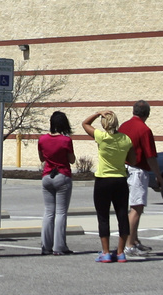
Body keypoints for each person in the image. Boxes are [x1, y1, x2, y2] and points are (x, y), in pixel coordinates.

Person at [82, 110, 136, 263]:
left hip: (103, 180)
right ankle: (120, 252)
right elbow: (133, 160)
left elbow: (85, 124)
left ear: (104, 124)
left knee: (103, 216)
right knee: (122, 215)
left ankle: (106, 252)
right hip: (120, 180)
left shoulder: (102, 137)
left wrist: (98, 113)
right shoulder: (126, 139)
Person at [118, 100, 163, 257]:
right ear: (147, 114)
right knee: (136, 208)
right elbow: (150, 157)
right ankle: (129, 245)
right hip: (137, 171)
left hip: (122, 170)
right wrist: (158, 176)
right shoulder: (144, 130)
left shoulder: (123, 126)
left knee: (131, 208)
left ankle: (134, 239)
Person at [37, 111, 76, 255]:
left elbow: (42, 158)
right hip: (62, 175)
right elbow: (71, 159)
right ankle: (59, 246)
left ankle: (45, 246)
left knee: (48, 212)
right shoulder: (66, 140)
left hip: (47, 176)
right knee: (61, 212)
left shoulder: (42, 139)